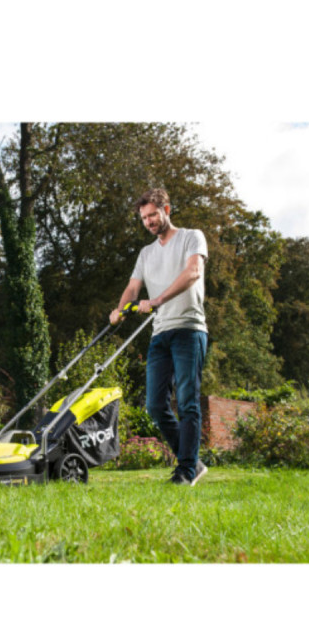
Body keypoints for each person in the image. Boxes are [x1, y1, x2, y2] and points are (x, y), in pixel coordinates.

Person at [110, 188, 208, 485]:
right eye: (144, 218)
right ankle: (192, 462)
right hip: (160, 334)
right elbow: (133, 287)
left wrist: (157, 300)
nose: (149, 221)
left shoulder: (191, 237)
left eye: (153, 215)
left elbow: (193, 272)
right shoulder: (146, 253)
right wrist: (119, 310)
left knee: (188, 402)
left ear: (166, 209)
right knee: (154, 405)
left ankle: (186, 471)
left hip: (189, 329)